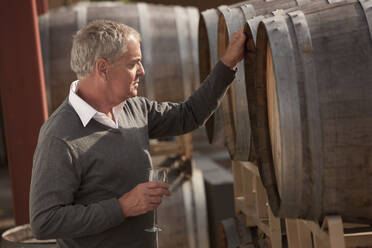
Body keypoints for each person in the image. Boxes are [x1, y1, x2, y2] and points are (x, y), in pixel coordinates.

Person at [30, 19, 245, 248]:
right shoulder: (59, 137)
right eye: (134, 63)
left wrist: (228, 63)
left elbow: (188, 115)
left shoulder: (135, 108)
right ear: (103, 69)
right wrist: (122, 207)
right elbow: (45, 221)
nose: (142, 71)